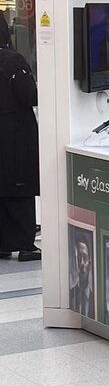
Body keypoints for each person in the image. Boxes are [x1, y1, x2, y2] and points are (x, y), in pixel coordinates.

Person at [0, 14, 40, 262]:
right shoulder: (13, 61)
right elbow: (30, 96)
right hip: (15, 135)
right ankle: (26, 245)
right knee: (21, 189)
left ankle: (3, 244)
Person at [69, 235, 95, 318]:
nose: (81, 263)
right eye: (78, 258)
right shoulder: (70, 295)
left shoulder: (96, 299)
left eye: (84, 257)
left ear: (90, 263)